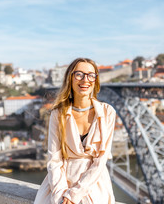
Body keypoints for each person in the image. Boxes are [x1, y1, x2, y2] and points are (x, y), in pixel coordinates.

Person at [34, 58, 116, 204]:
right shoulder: (57, 114)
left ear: (95, 81)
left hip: (93, 183)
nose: (85, 80)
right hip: (61, 181)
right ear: (70, 78)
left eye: (91, 75)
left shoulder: (107, 112)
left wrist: (74, 195)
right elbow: (54, 160)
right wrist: (60, 194)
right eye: (79, 74)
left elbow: (100, 161)